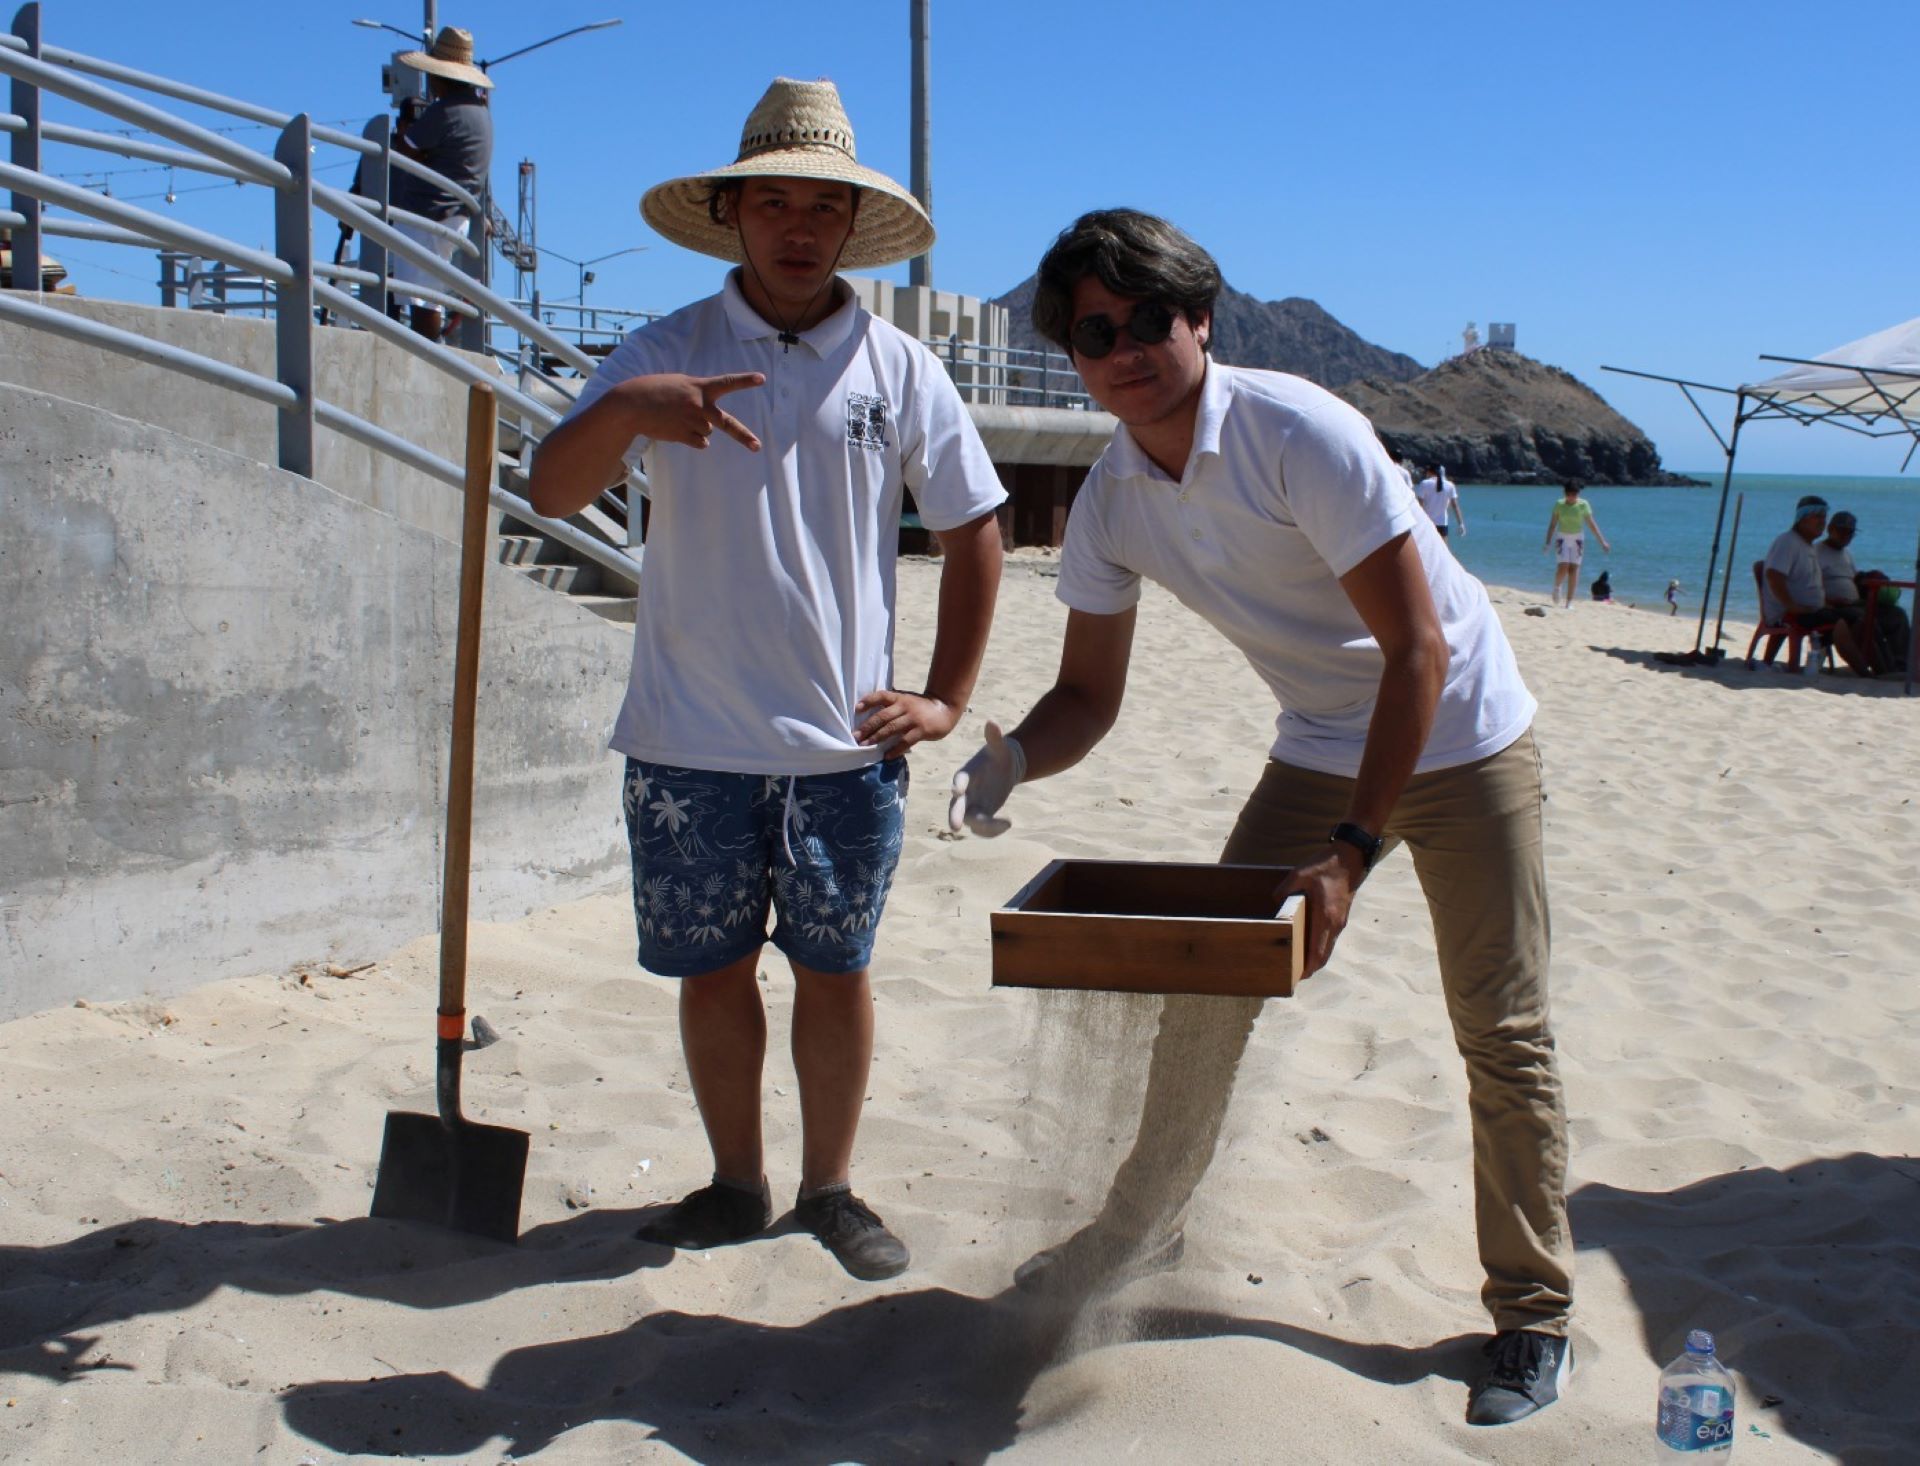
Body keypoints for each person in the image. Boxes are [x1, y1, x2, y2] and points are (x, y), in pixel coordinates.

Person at [947, 209, 1572, 1426]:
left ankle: (1531, 1315)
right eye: (1093, 331)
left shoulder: (1298, 431)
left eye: (1145, 321)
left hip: (1465, 728)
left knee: (1501, 1028)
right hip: (1323, 743)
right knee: (1206, 992)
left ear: (1200, 321)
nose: (1123, 348)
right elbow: (1088, 694)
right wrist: (1018, 754)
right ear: (1071, 352)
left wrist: (1347, 853)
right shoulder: (1113, 499)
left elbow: (1418, 649)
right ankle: (1141, 1229)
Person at [528, 78, 1006, 1280]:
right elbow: (546, 489)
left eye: (823, 208)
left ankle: (829, 1186)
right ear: (733, 212)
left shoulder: (899, 366)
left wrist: (945, 697)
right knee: (713, 967)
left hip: (843, 744)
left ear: (851, 227)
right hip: (687, 738)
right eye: (775, 202)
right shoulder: (663, 350)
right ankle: (736, 1181)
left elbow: (977, 533)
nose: (798, 227)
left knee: (836, 972)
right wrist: (632, 407)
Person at [389, 27, 494, 342]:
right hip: (454, 213)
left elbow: (404, 148)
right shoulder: (480, 114)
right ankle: (428, 351)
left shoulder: (445, 111)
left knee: (420, 297)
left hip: (429, 212)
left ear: (439, 76)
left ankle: (425, 356)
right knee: (429, 293)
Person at [1761, 496, 1871, 676]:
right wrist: (1791, 606)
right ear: (1802, 517)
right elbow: (1774, 576)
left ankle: (1881, 667)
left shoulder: (1806, 546)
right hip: (1793, 614)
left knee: (1861, 615)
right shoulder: (1787, 542)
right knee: (1847, 620)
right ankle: (1864, 672)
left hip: (1812, 610)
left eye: (1824, 517)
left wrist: (1827, 602)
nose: (1822, 521)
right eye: (1817, 516)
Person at [1816, 509, 1907, 674]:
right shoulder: (1817, 553)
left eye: (1850, 533)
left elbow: (1852, 579)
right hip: (1834, 607)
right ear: (1830, 529)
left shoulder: (1847, 554)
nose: (1846, 536)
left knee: (1897, 614)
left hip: (1855, 604)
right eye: (1842, 531)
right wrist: (1830, 601)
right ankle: (1886, 668)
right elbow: (1813, 588)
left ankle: (1902, 664)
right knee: (1868, 620)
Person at [1544, 481, 1608, 607]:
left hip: (1577, 539)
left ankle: (1569, 602)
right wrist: (1547, 543)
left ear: (1578, 494)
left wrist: (1602, 542)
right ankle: (1557, 587)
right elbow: (1552, 525)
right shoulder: (1559, 504)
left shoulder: (1583, 505)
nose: (1572, 497)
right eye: (1569, 494)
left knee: (1574, 569)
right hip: (1562, 538)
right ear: (1565, 493)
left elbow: (1591, 524)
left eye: (1574, 494)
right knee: (1563, 566)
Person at [1413, 463, 1467, 540]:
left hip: (1427, 522)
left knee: (1426, 549)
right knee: (1443, 549)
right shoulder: (1450, 485)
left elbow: (1419, 505)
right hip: (1442, 523)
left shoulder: (1424, 483)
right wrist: (1461, 524)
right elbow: (1455, 506)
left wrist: (1417, 521)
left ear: (1430, 472)